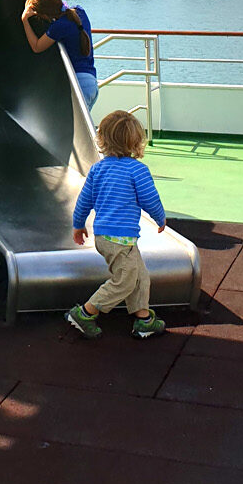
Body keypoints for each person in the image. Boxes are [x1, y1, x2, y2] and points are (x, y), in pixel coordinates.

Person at [65, 111, 170, 340]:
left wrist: (78, 224)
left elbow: (84, 200)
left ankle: (144, 320)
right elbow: (150, 199)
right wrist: (160, 218)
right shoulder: (137, 170)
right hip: (120, 239)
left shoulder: (98, 169)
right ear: (135, 142)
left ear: (103, 140)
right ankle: (85, 313)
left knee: (140, 276)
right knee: (124, 281)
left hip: (104, 237)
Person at [21, 0, 98, 108]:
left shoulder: (58, 27)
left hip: (79, 84)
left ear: (44, 15)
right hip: (91, 82)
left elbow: (36, 47)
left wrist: (25, 19)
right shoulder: (79, 11)